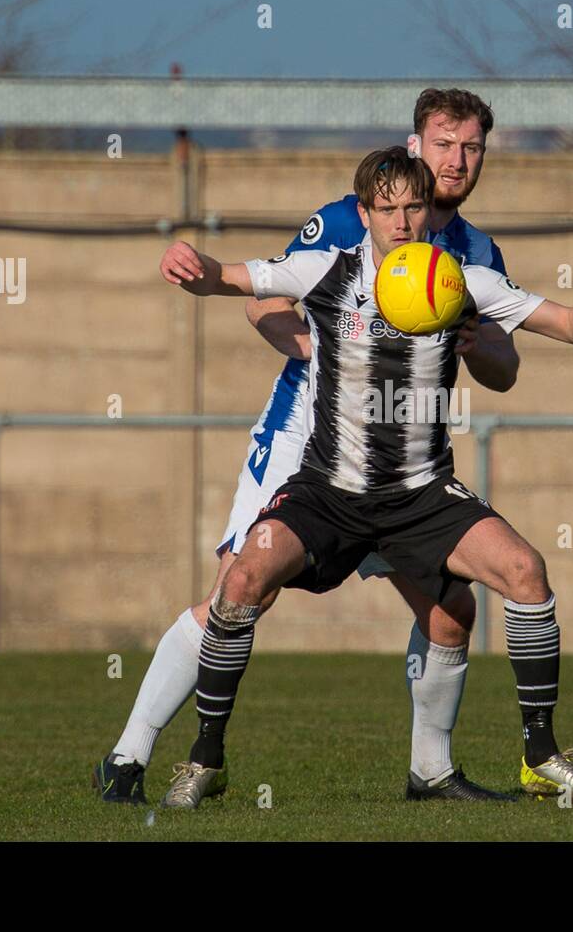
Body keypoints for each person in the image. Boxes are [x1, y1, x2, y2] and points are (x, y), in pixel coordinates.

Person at [159, 146, 573, 810]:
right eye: (386, 208)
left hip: (421, 493)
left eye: (413, 206)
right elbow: (233, 278)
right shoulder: (327, 270)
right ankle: (205, 758)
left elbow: (567, 325)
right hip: (329, 490)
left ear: (428, 210)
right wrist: (194, 267)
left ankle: (539, 755)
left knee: (524, 574)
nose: (401, 220)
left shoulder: (461, 280)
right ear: (364, 213)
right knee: (242, 579)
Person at [96, 89, 520, 804]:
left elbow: (503, 370)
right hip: (307, 437)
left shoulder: (476, 252)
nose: (457, 159)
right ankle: (130, 755)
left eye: (471, 146)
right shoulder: (346, 221)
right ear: (415, 146)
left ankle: (431, 771)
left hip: (403, 460)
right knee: (237, 589)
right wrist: (329, 355)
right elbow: (264, 298)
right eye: (444, 143)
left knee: (450, 606)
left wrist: (481, 350)